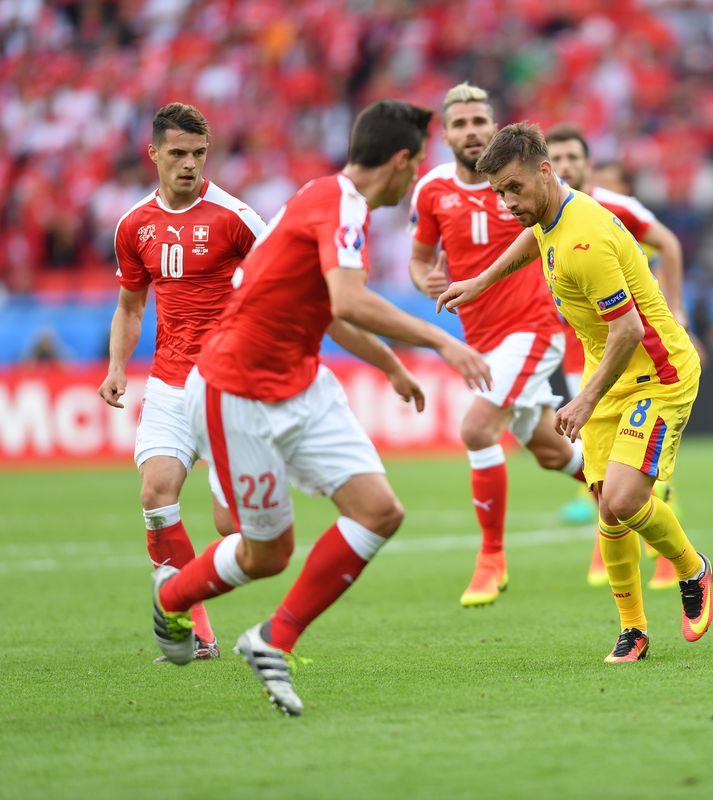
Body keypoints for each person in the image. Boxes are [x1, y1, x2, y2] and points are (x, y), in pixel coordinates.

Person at [150, 100, 493, 716]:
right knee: (266, 555)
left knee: (379, 512)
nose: (415, 178)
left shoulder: (331, 202)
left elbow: (329, 308)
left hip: (302, 383)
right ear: (399, 161)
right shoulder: (338, 204)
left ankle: (271, 640)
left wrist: (388, 363)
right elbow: (349, 298)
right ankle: (172, 596)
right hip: (236, 392)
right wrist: (440, 340)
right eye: (415, 167)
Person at [439, 123, 713, 663]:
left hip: (657, 375)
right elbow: (531, 239)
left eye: (514, 188)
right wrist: (479, 281)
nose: (507, 202)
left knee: (624, 500)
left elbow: (630, 330)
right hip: (609, 376)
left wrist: (584, 399)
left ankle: (693, 569)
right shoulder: (549, 212)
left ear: (546, 171)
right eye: (499, 192)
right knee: (606, 511)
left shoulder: (584, 240)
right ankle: (633, 630)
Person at [407, 84, 588, 608]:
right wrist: (427, 283)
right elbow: (420, 261)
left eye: (478, 121)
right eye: (459, 124)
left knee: (476, 427)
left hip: (532, 329)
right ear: (444, 134)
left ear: (494, 124)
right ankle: (627, 497)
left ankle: (491, 559)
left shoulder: (520, 181)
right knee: (551, 451)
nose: (471, 131)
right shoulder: (431, 191)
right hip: (482, 341)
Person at [100, 103, 266, 660]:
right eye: (178, 153)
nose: (190, 164)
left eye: (198, 153)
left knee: (235, 527)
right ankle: (197, 631)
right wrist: (117, 366)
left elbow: (283, 281)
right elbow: (129, 306)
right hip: (169, 384)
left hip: (229, 387)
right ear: (154, 154)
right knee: (155, 496)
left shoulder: (236, 217)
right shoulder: (134, 225)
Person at [543, 124, 688, 590]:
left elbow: (669, 243)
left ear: (587, 162)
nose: (566, 165)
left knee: (637, 465)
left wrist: (676, 307)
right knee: (599, 464)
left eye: (572, 157)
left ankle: (668, 557)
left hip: (641, 347)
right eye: (557, 157)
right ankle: (612, 545)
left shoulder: (615, 207)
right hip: (584, 350)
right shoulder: (545, 218)